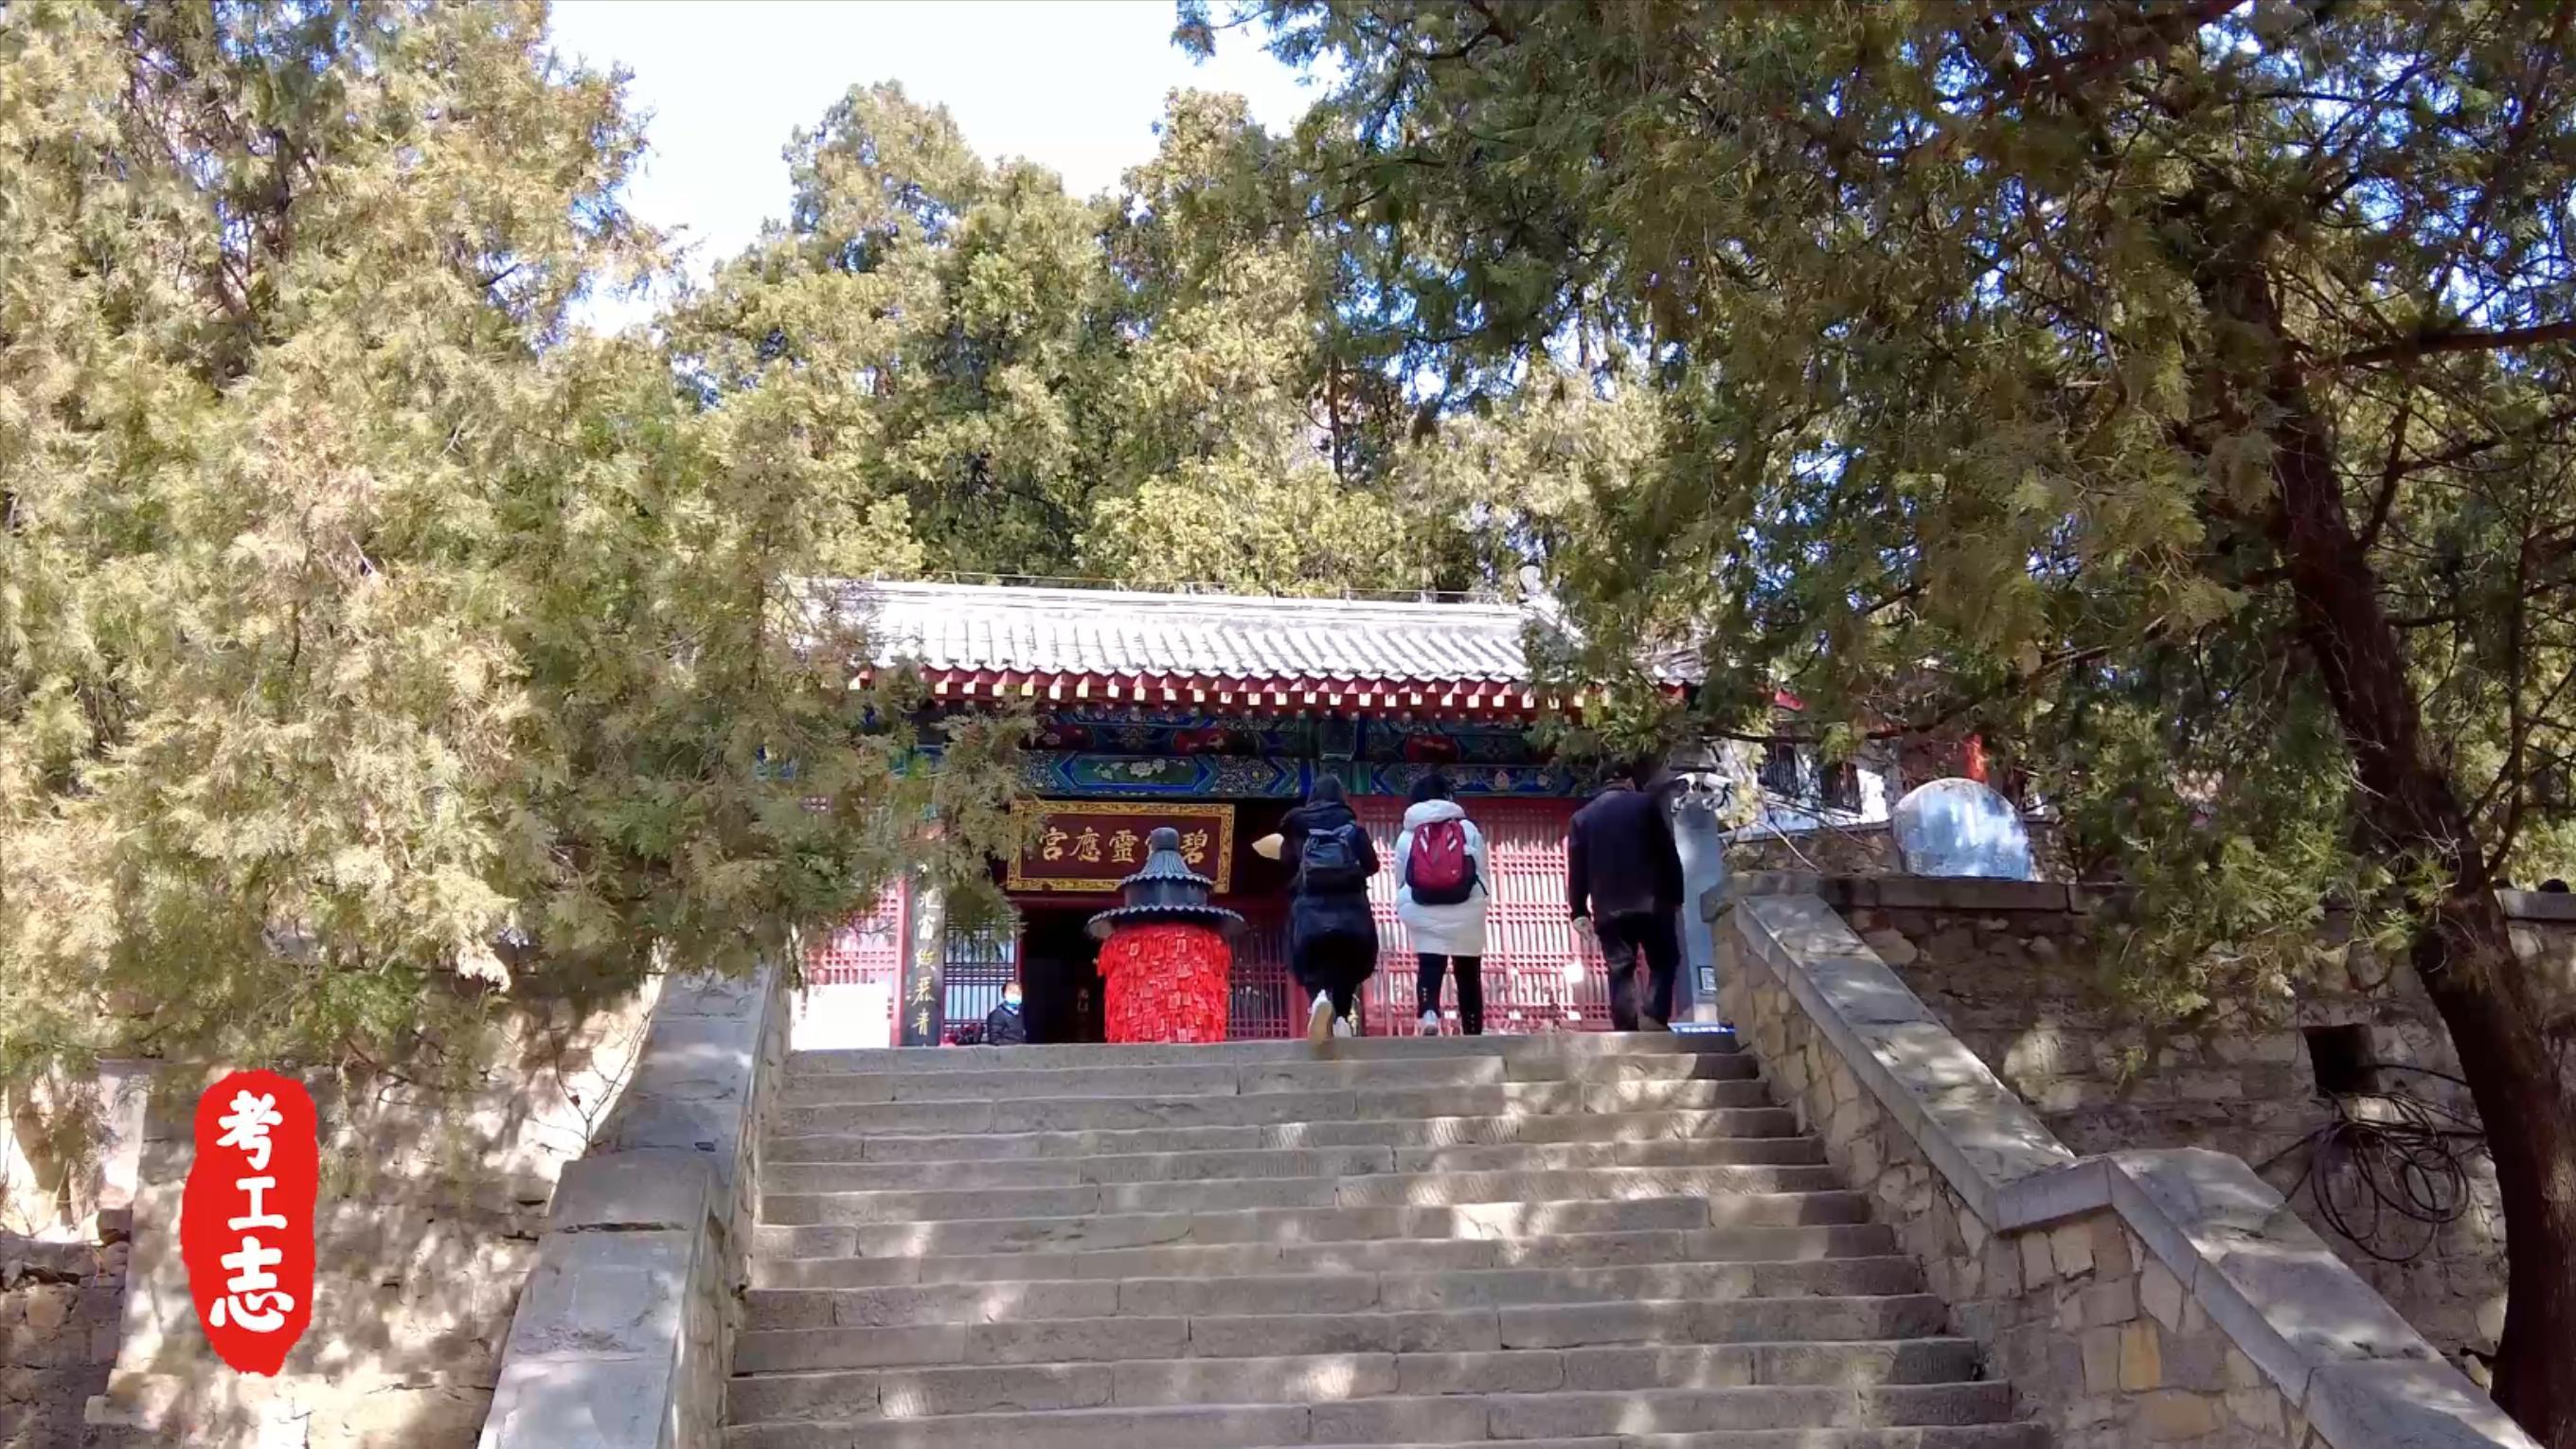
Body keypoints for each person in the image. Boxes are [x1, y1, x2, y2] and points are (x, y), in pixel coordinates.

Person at [1567, 754, 1686, 1031]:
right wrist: (1676, 895)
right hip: (1652, 902)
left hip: (1608, 907)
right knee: (1664, 959)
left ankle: (1626, 1029)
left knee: (1620, 968)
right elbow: (1667, 853)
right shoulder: (1646, 805)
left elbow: (1577, 869)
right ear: (1630, 781)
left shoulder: (1582, 818)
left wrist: (1579, 911)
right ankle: (1654, 1014)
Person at [1279, 776, 1382, 1042]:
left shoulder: (1298, 826)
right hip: (1352, 911)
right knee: (1347, 963)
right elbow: (1372, 865)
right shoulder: (1353, 829)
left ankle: (1318, 999)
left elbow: (1286, 864)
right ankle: (1341, 1018)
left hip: (1309, 912)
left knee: (1309, 960)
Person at [1395, 774, 1491, 1036]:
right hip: (1466, 906)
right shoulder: (1468, 829)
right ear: (1448, 796)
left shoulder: (1408, 834)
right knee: (1468, 969)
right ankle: (1472, 1027)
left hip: (1422, 905)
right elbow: (1481, 869)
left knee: (1429, 962)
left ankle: (1429, 1013)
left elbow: (1401, 878)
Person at [983, 981, 1029, 1046]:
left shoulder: (1022, 1013)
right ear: (1004, 994)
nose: (1016, 995)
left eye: (1018, 993)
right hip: (1006, 1051)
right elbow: (995, 1039)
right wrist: (1015, 1044)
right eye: (1012, 992)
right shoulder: (997, 1014)